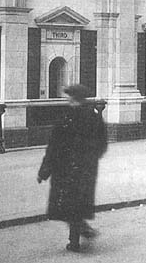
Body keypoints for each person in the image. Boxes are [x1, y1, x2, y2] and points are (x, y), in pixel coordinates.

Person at [36, 84, 108, 252]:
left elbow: (53, 147)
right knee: (75, 204)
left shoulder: (65, 118)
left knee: (67, 204)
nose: (67, 99)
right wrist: (91, 159)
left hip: (65, 169)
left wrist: (44, 171)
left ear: (75, 99)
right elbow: (102, 144)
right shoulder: (94, 117)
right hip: (84, 169)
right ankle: (79, 233)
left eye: (69, 96)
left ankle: (76, 238)